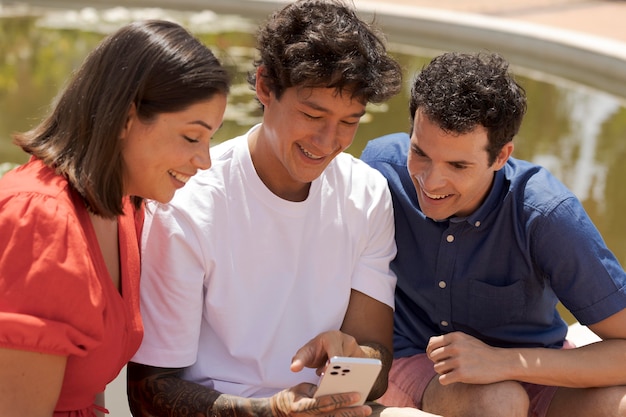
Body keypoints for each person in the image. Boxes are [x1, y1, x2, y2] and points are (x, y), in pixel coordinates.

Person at [126, 2, 441, 417]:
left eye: (350, 121)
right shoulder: (187, 204)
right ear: (264, 86)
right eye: (313, 114)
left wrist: (351, 361)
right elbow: (149, 393)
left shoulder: (366, 192)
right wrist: (270, 411)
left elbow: (376, 361)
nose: (330, 141)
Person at [361, 51, 626, 417]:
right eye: (420, 152)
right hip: (416, 360)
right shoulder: (378, 169)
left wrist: (501, 362)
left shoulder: (546, 215)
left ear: (501, 156)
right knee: (499, 401)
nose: (430, 181)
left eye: (458, 165)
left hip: (532, 368)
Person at [0, 20, 230, 417]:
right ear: (126, 118)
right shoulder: (40, 219)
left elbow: (87, 386)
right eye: (192, 138)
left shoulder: (125, 207)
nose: (205, 161)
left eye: (211, 139)